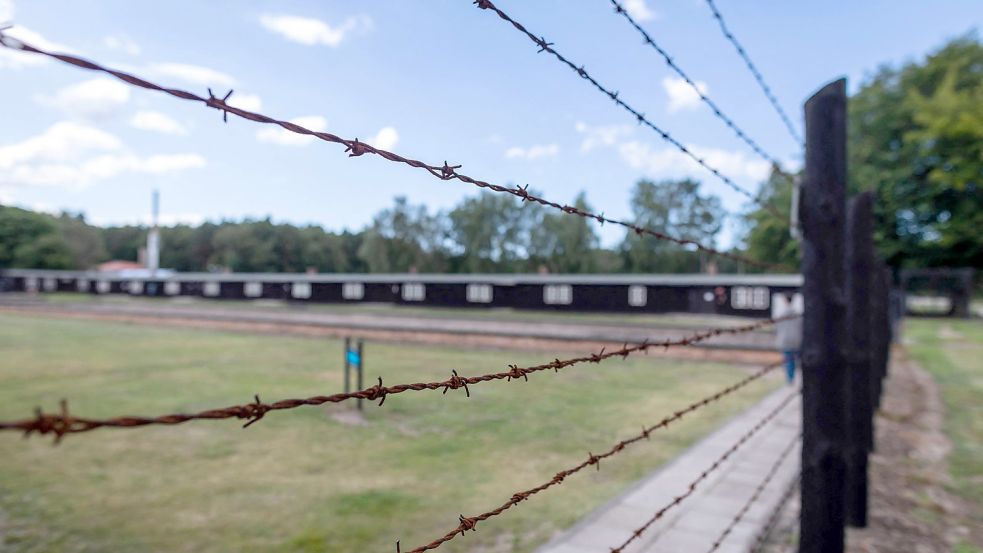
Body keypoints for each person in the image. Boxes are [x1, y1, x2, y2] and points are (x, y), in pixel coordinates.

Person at [773, 292, 803, 384]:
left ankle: (790, 380)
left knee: (788, 361)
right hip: (797, 340)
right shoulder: (798, 316)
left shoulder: (781, 316)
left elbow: (777, 328)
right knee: (798, 360)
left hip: (785, 340)